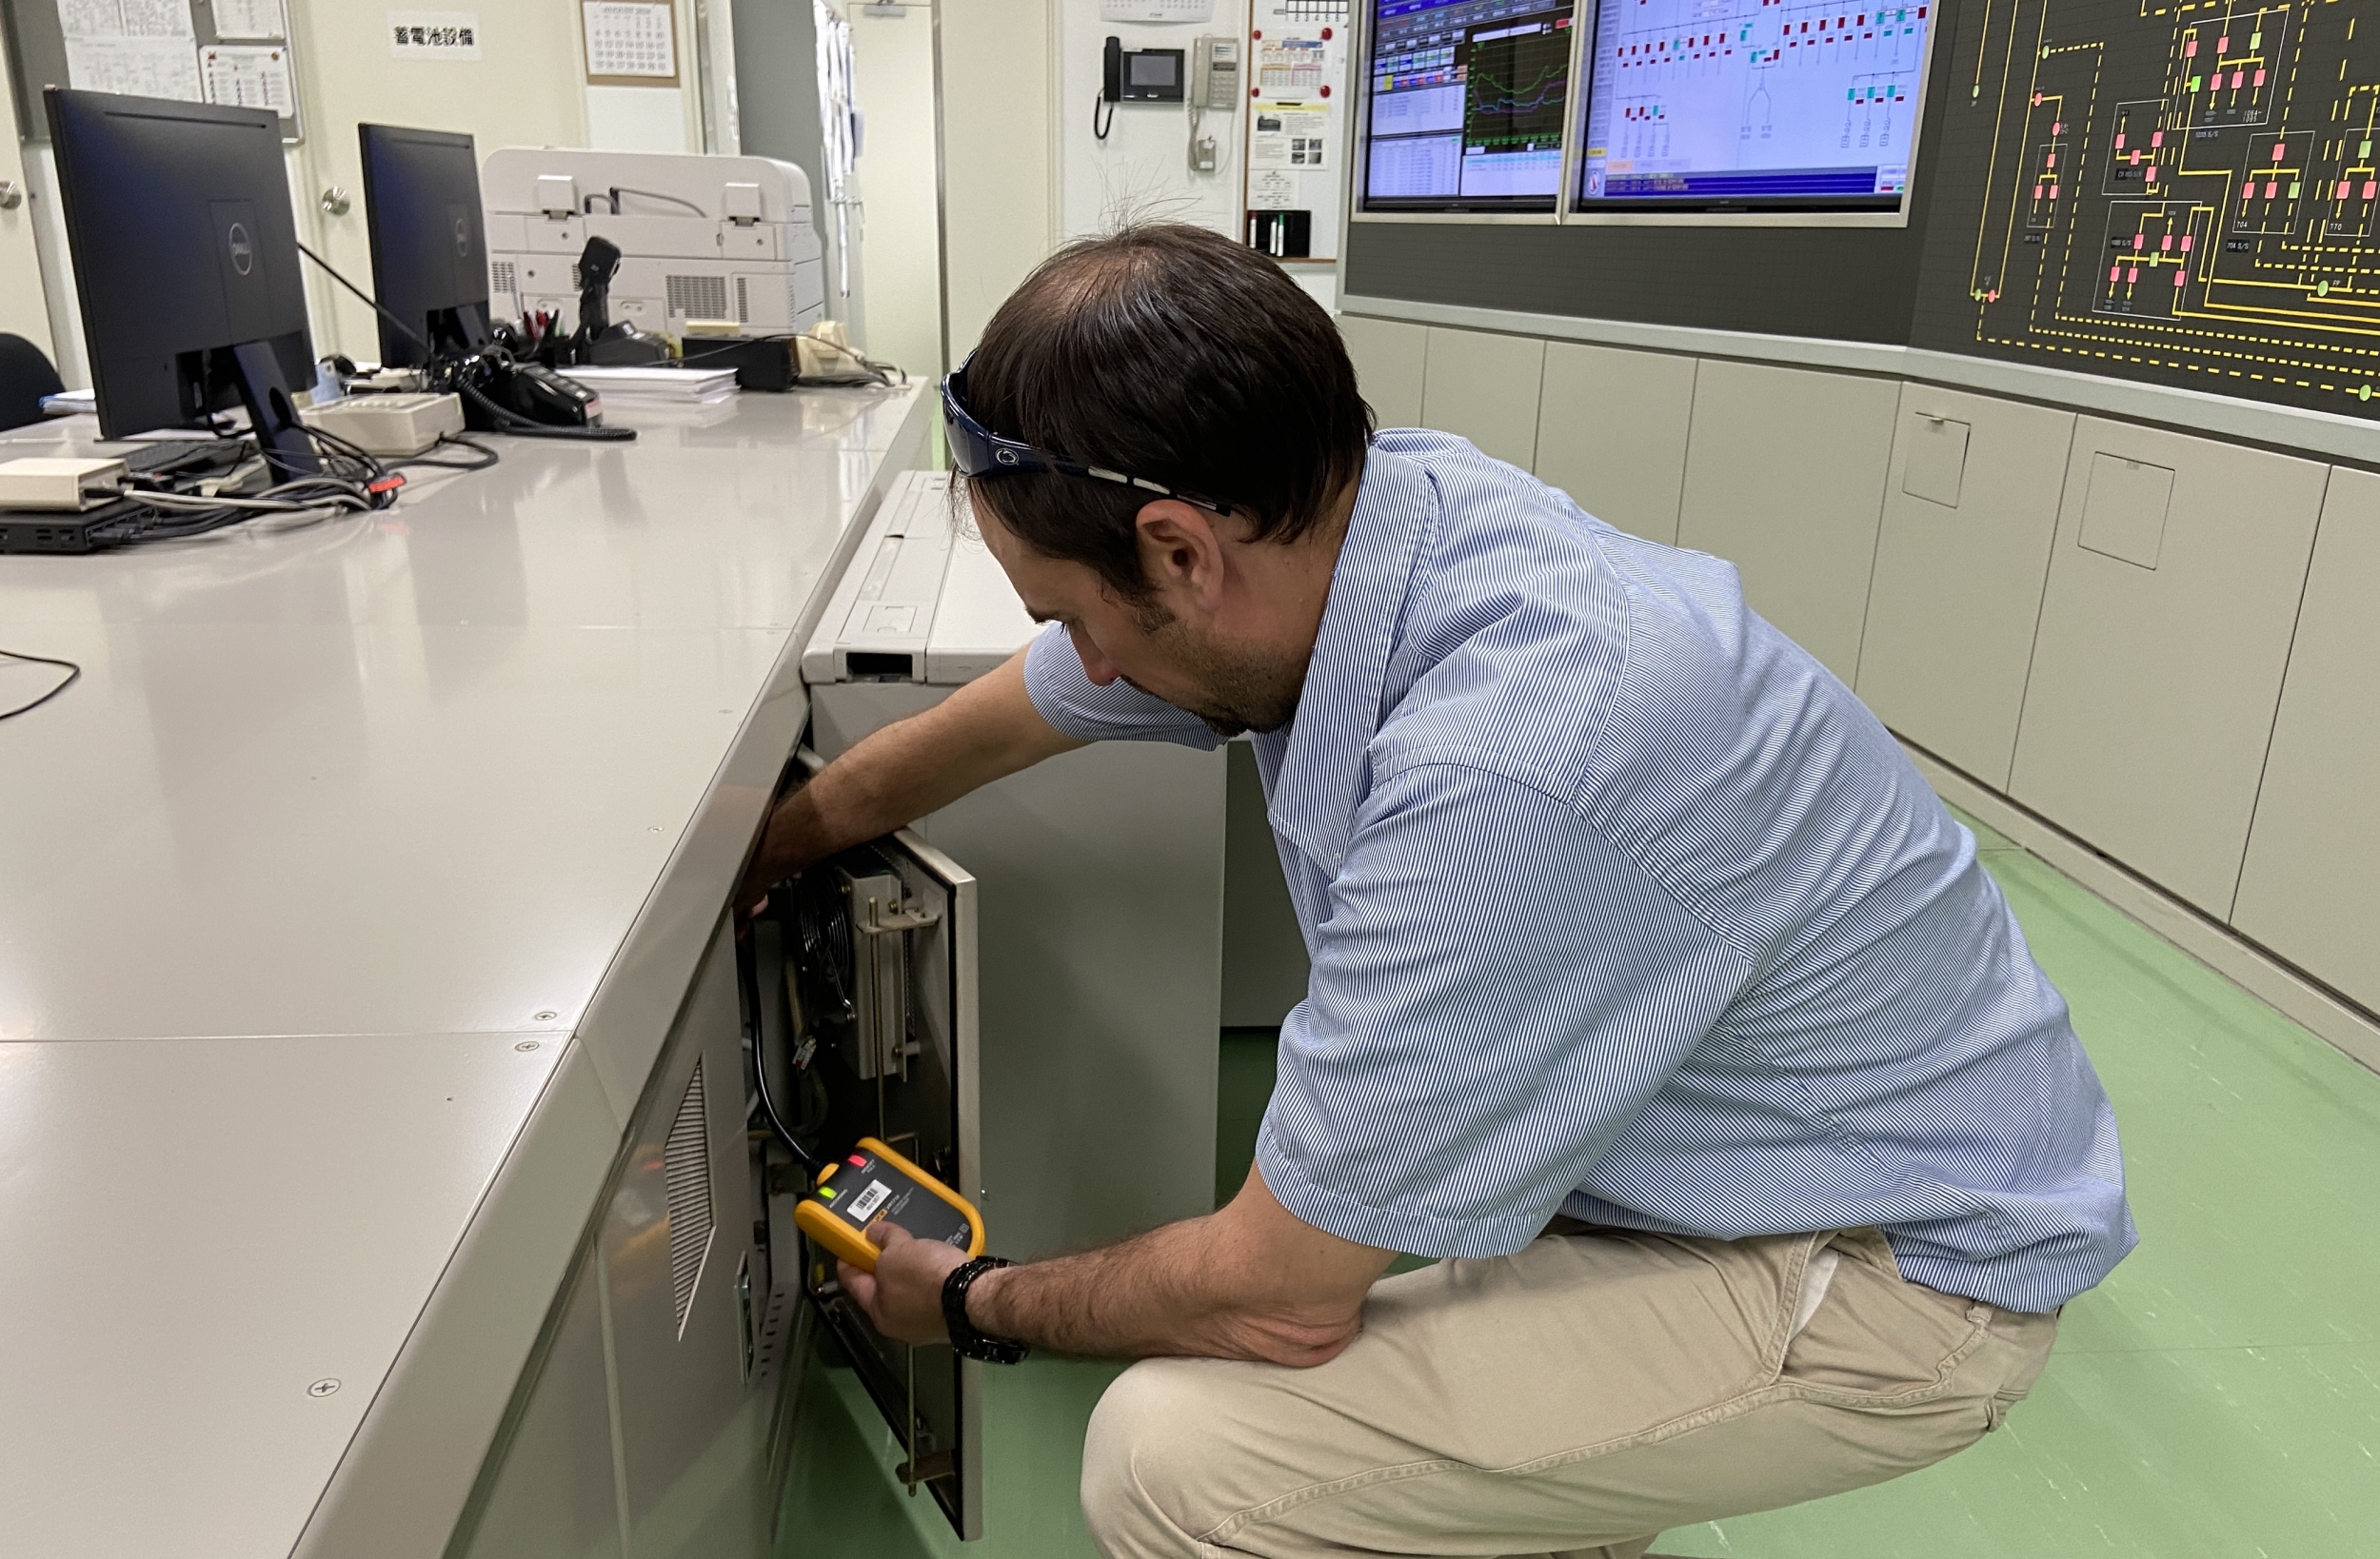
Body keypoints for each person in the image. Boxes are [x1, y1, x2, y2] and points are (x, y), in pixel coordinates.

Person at [741, 224, 2135, 1559]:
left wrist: (975, 1301)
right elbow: (1025, 712)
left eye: (1072, 615)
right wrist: (790, 835)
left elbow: (1277, 1294)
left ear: (1179, 552)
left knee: (1183, 1462)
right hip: (1718, 1160)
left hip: (1895, 1271)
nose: (1085, 665)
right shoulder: (1365, 522)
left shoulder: (1507, 766)